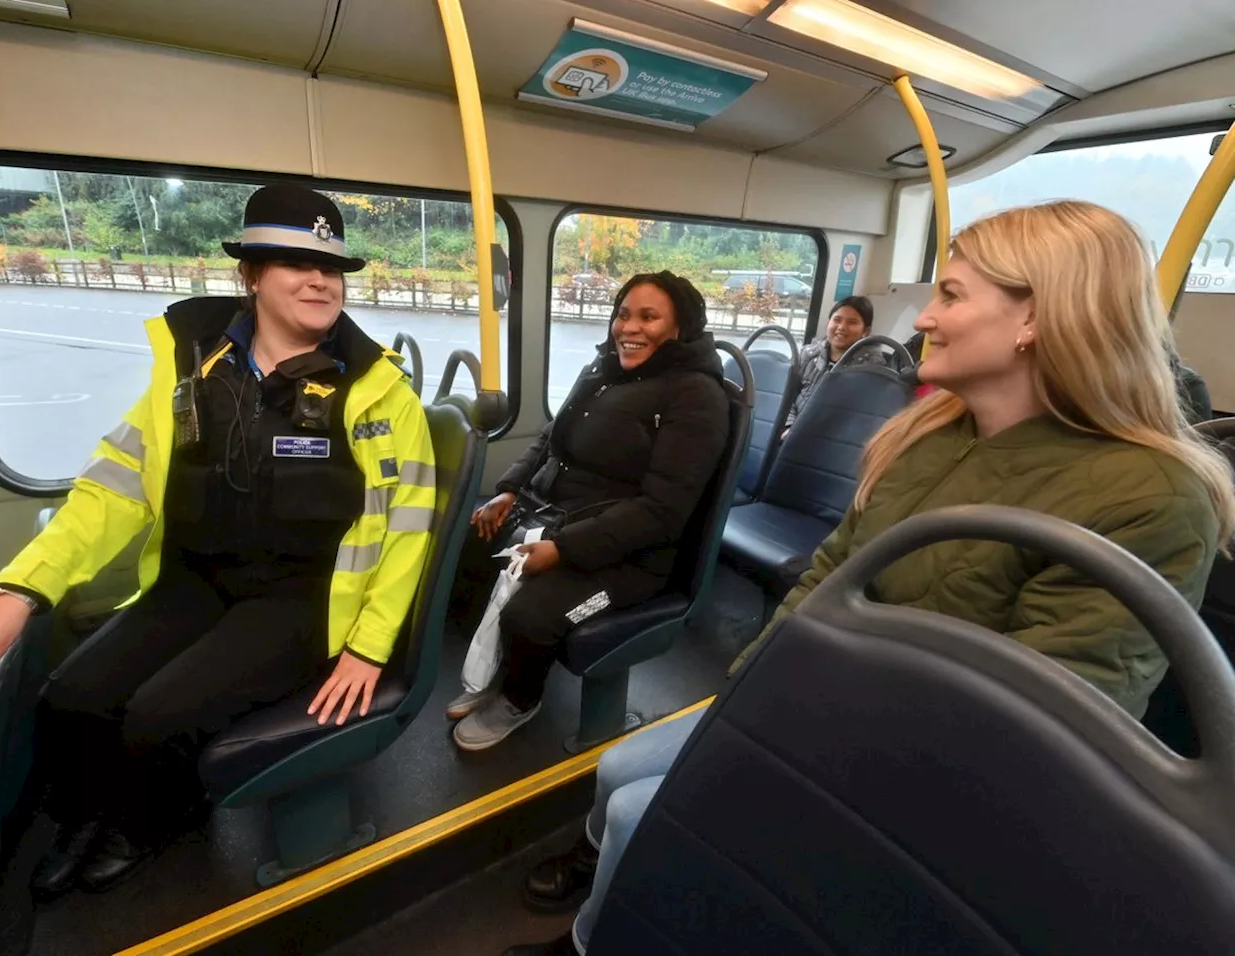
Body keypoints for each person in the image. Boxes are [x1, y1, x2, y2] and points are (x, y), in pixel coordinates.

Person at [501, 200, 1235, 955]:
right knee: (621, 769)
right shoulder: (926, 434)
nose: (921, 319)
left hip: (915, 774)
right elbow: (825, 578)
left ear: (1035, 319)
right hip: (818, 702)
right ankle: (610, 883)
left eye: (950, 295)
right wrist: (752, 702)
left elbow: (1031, 742)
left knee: (637, 809)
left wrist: (790, 747)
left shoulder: (1150, 499)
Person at [0, 184, 436, 898]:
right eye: (293, 262)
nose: (319, 280)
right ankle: (97, 812)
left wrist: (368, 645)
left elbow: (407, 526)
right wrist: (19, 590)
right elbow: (112, 489)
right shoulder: (188, 368)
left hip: (300, 600)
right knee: (72, 696)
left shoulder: (377, 389)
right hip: (194, 579)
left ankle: (150, 824)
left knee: (157, 714)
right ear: (250, 275)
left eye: (331, 267)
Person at [447, 272, 731, 752]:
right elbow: (548, 436)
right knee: (468, 553)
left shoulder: (695, 396)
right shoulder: (602, 371)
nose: (629, 328)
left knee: (531, 616)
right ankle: (500, 668)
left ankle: (520, 698)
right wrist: (510, 489)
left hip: (636, 557)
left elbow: (662, 512)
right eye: (623, 314)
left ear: (679, 327)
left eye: (648, 317)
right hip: (562, 517)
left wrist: (562, 551)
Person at [781, 295, 884, 436]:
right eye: (837, 320)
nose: (841, 327)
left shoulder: (873, 369)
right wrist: (789, 428)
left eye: (852, 322)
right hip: (792, 433)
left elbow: (862, 418)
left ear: (865, 331)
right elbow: (786, 396)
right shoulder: (808, 355)